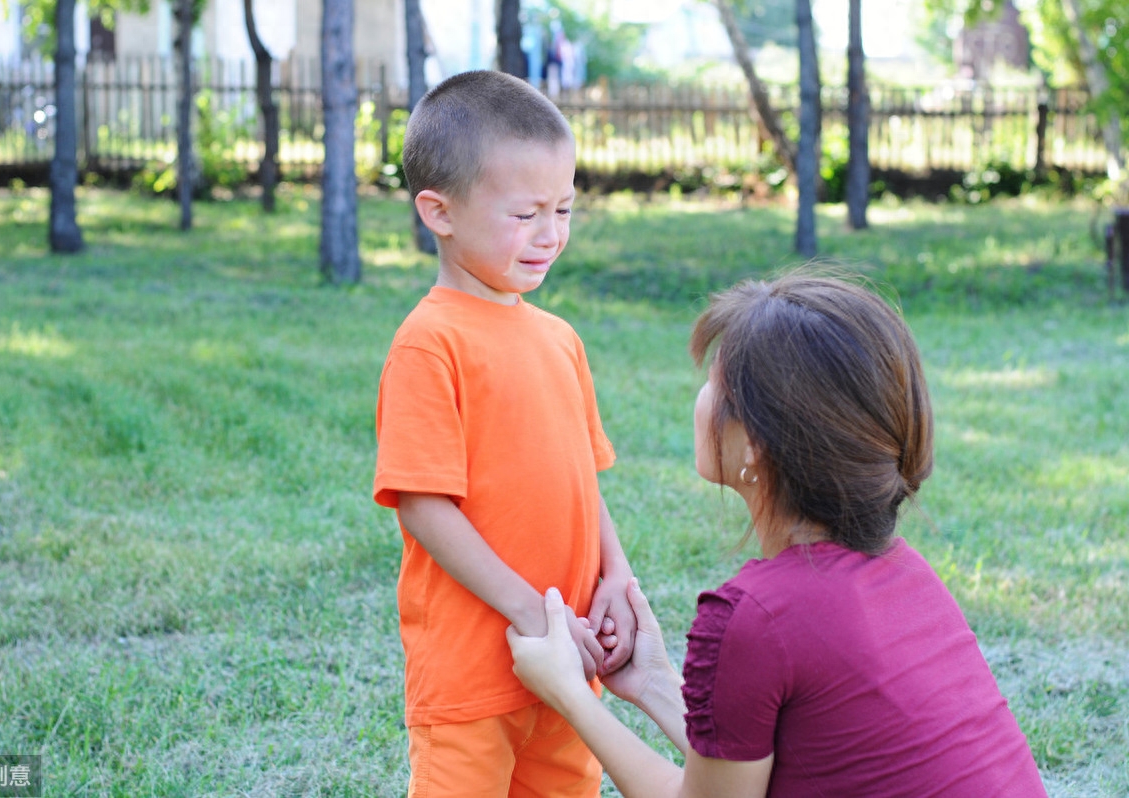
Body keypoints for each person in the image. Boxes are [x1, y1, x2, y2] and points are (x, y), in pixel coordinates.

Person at [508, 274, 1049, 798]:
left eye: (715, 385)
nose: (702, 398)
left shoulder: (755, 618)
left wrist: (570, 694)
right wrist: (652, 681)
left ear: (756, 446)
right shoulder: (904, 571)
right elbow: (753, 772)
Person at [372, 69, 636, 798]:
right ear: (440, 212)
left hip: (567, 664)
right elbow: (423, 507)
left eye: (565, 208)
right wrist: (531, 611)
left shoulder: (559, 339)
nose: (550, 234)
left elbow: (585, 479)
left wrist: (618, 577)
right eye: (525, 215)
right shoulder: (430, 344)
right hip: (474, 673)